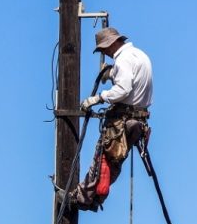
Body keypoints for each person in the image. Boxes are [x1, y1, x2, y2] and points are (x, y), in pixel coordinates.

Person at [57, 27, 153, 212]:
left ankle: (81, 199)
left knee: (101, 160)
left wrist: (98, 98)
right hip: (137, 120)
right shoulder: (139, 55)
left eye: (104, 49)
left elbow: (123, 89)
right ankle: (95, 199)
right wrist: (112, 74)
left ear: (111, 44)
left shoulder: (123, 59)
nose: (106, 54)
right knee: (112, 163)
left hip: (122, 121)